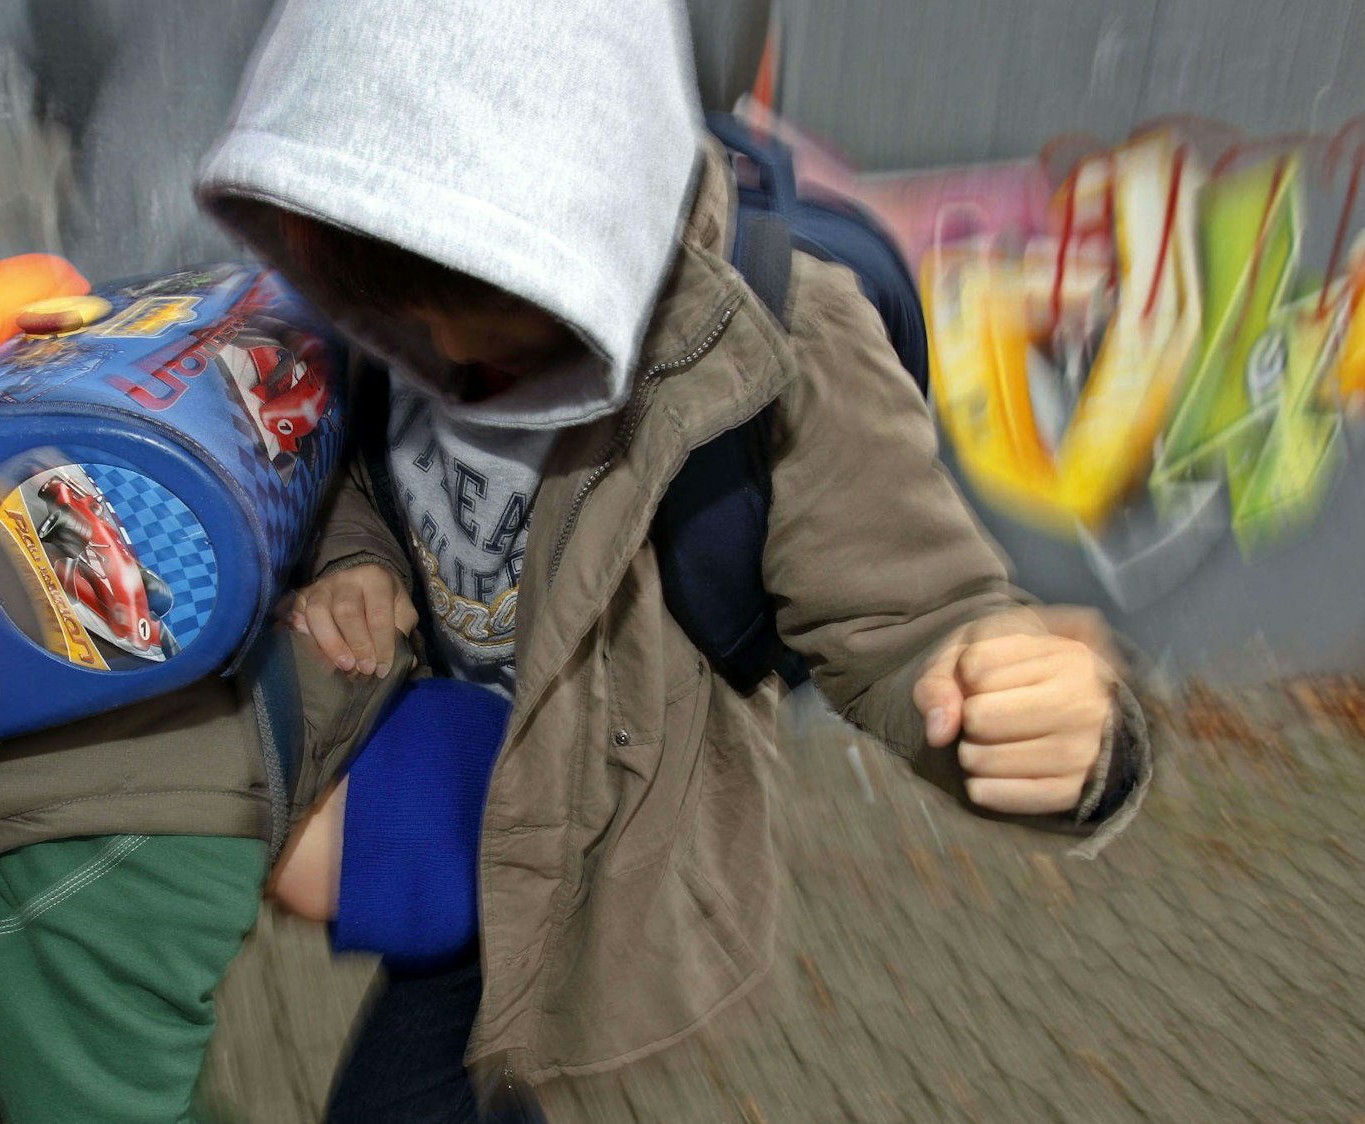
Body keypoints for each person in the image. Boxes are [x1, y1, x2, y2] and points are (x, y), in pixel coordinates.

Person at [194, 0, 1152, 1118]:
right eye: (404, 322)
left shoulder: (784, 338)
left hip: (590, 869)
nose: (450, 364)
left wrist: (1062, 730)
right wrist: (362, 559)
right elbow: (356, 457)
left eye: (508, 333)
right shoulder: (377, 264)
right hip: (438, 776)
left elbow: (917, 621)